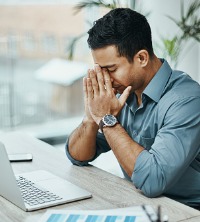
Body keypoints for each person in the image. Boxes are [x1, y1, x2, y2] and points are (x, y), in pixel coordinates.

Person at [66, 8, 200, 208]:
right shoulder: (120, 93)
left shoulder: (186, 100)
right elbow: (78, 156)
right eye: (100, 70)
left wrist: (106, 119)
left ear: (142, 58)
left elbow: (153, 181)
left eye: (111, 69)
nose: (105, 79)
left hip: (187, 210)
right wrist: (91, 116)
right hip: (140, 203)